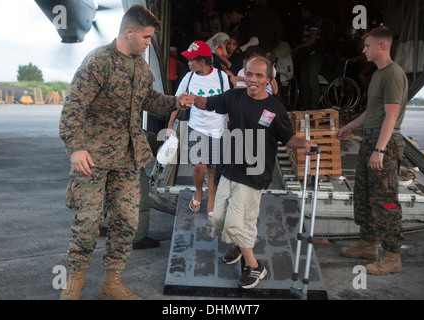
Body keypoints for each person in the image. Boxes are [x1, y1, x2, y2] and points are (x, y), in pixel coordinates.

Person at [58, 5, 192, 300]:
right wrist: (76, 148)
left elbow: (150, 100)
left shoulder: (141, 67)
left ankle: (111, 284)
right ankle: (74, 283)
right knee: (89, 222)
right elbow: (73, 107)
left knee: (126, 222)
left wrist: (175, 101)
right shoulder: (99, 61)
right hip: (92, 158)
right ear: (129, 32)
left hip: (128, 159)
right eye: (145, 37)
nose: (148, 42)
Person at [192, 56, 317, 289]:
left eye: (259, 75)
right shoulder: (234, 96)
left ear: (268, 79)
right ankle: (240, 246)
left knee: (236, 222)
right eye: (249, 74)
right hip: (229, 168)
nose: (253, 79)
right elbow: (207, 103)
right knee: (218, 218)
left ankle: (254, 265)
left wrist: (304, 143)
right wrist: (190, 99)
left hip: (254, 174)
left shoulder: (275, 109)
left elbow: (288, 139)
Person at [336, 26, 408, 275]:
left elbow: (392, 115)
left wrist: (380, 149)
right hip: (371, 141)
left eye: (367, 45)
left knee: (385, 201)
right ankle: (368, 244)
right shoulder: (378, 74)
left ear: (382, 46)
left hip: (383, 143)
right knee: (364, 196)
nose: (363, 50)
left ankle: (391, 256)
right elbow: (372, 112)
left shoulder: (393, 74)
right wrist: (349, 126)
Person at [167, 41, 230, 217]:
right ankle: (198, 191)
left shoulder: (220, 76)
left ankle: (211, 198)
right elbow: (177, 102)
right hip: (197, 128)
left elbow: (227, 102)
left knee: (213, 169)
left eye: (191, 60)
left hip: (218, 130)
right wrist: (170, 125)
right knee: (199, 167)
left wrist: (231, 123)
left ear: (202, 61)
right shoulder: (188, 78)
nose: (188, 63)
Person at [293, 2, 323, 110]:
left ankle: (314, 106)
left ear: (306, 11)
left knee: (312, 81)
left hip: (313, 54)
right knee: (304, 81)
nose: (301, 13)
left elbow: (312, 40)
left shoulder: (313, 22)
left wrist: (299, 46)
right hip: (306, 55)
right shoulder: (306, 22)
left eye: (302, 10)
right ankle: (305, 106)